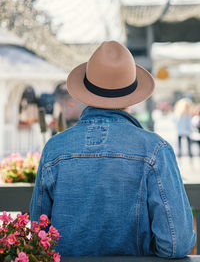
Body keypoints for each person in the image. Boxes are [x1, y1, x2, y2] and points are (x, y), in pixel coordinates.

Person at [30, 41, 196, 258]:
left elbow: (37, 234)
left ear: (86, 92)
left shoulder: (55, 149)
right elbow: (177, 244)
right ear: (132, 96)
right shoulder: (155, 150)